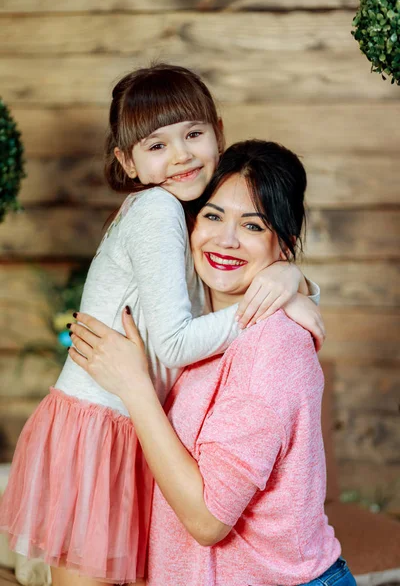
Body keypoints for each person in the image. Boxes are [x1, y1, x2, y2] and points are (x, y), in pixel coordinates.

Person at [0, 66, 322, 586]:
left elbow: (251, 255)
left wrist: (295, 282)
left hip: (128, 421)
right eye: (156, 145)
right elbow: (173, 344)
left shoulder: (192, 211)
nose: (181, 156)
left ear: (218, 130)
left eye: (193, 134)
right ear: (126, 160)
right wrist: (266, 314)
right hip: (102, 425)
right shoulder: (156, 210)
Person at [69, 139, 356, 586]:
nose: (225, 240)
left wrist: (135, 387)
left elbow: (207, 521)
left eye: (254, 226)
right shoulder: (190, 322)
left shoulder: (273, 349)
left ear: (285, 244)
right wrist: (296, 280)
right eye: (213, 215)